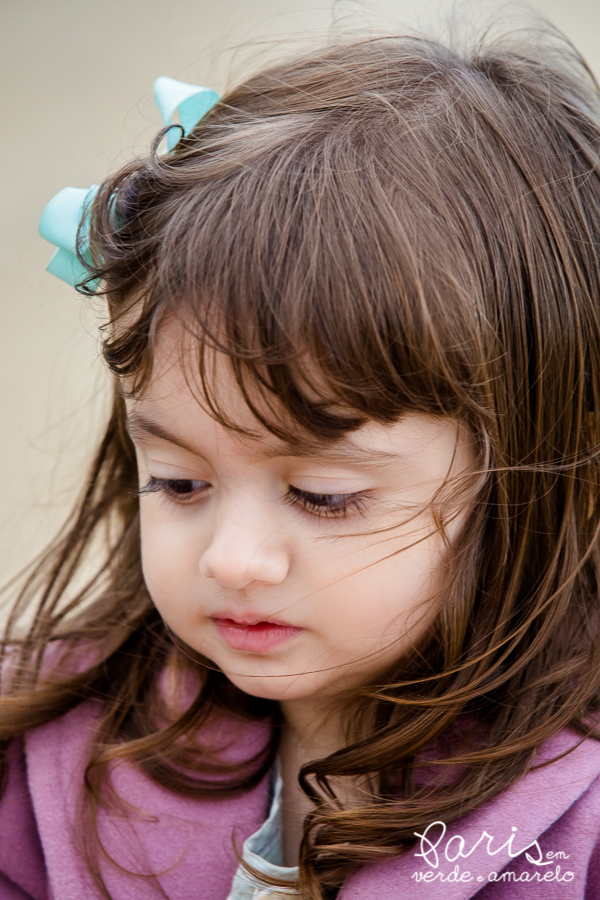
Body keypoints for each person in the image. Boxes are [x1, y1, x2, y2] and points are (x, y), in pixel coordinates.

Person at [1, 22, 600, 900]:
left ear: (549, 475)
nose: (230, 558)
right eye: (178, 481)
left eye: (323, 495)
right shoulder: (42, 752)